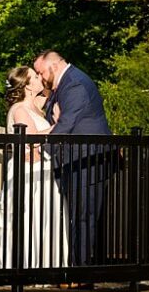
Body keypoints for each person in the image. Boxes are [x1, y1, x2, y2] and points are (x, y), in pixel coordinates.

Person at [0, 64, 70, 272]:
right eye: (35, 76)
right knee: (28, 218)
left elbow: (52, 93)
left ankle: (47, 266)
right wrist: (59, 124)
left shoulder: (35, 104)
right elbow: (32, 140)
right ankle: (24, 267)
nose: (40, 77)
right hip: (29, 172)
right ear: (27, 85)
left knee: (46, 218)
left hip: (44, 170)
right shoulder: (20, 110)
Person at [33, 50, 112, 265]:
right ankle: (76, 269)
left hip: (87, 160)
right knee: (77, 217)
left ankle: (81, 272)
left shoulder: (74, 84)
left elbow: (65, 124)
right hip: (75, 160)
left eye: (40, 73)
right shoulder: (63, 86)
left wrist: (41, 151)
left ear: (54, 66)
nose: (40, 78)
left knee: (84, 217)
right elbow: (58, 121)